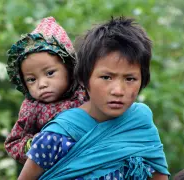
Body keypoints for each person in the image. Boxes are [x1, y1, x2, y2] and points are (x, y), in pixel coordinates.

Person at [18, 16, 170, 180]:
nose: (118, 90)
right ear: (84, 79)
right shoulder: (56, 136)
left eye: (130, 79)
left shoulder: (140, 124)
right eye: (106, 77)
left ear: (142, 80)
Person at [4, 17, 87, 164]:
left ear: (69, 69)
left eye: (50, 73)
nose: (42, 84)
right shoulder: (31, 108)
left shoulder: (85, 93)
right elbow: (13, 143)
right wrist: (33, 144)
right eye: (31, 79)